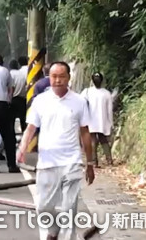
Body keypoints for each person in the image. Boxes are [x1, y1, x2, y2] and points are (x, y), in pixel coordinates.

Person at [17, 61, 95, 240]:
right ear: (48, 77)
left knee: (69, 209)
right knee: (44, 207)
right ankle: (52, 231)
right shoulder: (40, 101)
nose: (58, 80)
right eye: (54, 76)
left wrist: (90, 163)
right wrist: (22, 148)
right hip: (47, 162)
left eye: (62, 76)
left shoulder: (79, 101)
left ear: (69, 78)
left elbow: (85, 133)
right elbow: (30, 128)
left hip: (72, 162)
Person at [80, 72, 114, 167]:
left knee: (93, 141)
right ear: (102, 81)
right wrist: (111, 123)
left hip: (91, 120)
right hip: (103, 121)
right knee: (104, 140)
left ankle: (94, 162)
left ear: (92, 81)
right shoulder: (107, 94)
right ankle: (109, 160)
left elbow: (80, 103)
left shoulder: (87, 92)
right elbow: (109, 110)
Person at [9, 59, 27, 133]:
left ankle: (12, 138)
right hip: (22, 100)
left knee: (11, 121)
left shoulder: (9, 74)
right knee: (23, 120)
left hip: (12, 100)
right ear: (17, 66)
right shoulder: (22, 75)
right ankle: (25, 135)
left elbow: (10, 87)